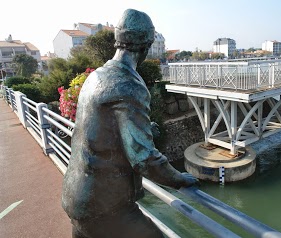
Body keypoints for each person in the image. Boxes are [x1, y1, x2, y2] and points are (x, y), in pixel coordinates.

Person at [62, 9, 199, 238]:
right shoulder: (129, 85)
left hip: (77, 195)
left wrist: (148, 131)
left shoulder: (96, 76)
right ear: (146, 45)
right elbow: (144, 158)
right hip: (104, 206)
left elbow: (102, 133)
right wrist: (180, 179)